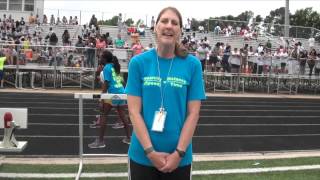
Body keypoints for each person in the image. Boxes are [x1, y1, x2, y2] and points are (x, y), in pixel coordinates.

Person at [125, 7, 206, 180]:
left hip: (179, 158)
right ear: (155, 27)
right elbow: (133, 112)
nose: (169, 26)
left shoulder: (192, 65)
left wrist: (179, 153)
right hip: (142, 155)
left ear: (180, 31)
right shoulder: (138, 63)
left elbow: (194, 113)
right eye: (164, 21)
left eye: (174, 23)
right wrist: (150, 152)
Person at [88, 50, 131, 148]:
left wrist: (102, 99)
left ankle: (101, 141)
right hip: (121, 91)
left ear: (105, 58)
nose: (100, 58)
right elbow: (119, 80)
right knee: (123, 116)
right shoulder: (115, 66)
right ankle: (129, 138)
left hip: (112, 93)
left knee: (103, 115)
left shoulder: (107, 68)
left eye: (101, 57)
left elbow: (106, 84)